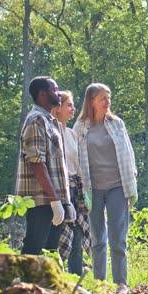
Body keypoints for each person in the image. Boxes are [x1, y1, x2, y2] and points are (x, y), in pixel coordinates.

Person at [72, 83, 138, 294]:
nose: (107, 102)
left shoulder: (117, 124)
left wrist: (132, 185)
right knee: (97, 239)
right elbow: (74, 159)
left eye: (109, 98)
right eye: (103, 98)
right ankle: (101, 284)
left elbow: (128, 153)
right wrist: (80, 191)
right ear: (92, 101)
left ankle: (121, 284)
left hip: (118, 186)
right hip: (92, 190)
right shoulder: (80, 127)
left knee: (119, 239)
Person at [15, 76, 74, 256]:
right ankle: (24, 283)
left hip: (54, 198)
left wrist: (63, 201)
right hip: (41, 199)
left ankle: (43, 285)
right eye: (54, 90)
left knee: (50, 253)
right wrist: (54, 199)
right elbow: (36, 162)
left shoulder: (50, 121)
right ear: (42, 94)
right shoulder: (36, 120)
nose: (58, 93)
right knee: (34, 250)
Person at [52, 90, 90, 276]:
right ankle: (54, 278)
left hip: (76, 190)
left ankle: (75, 281)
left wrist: (86, 193)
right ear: (58, 108)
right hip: (58, 190)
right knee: (58, 237)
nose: (73, 108)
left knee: (77, 238)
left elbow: (78, 164)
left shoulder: (72, 134)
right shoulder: (50, 132)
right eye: (69, 105)